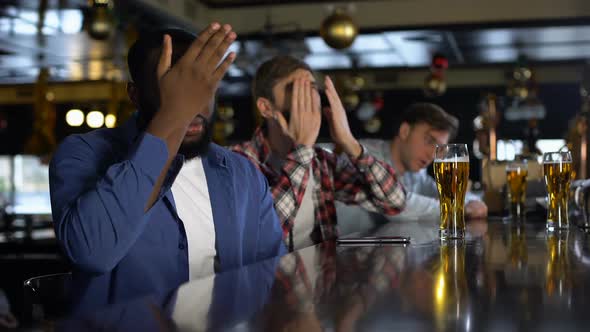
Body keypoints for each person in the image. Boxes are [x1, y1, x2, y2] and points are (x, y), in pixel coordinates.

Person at [49, 24, 286, 312]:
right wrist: (173, 116)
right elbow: (93, 252)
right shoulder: (83, 153)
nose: (193, 105)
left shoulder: (242, 173)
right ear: (135, 95)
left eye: (201, 88)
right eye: (171, 87)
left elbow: (271, 277)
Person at [231, 55, 406, 251]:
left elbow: (395, 202)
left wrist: (350, 142)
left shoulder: (321, 162)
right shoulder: (238, 162)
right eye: (296, 89)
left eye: (313, 88)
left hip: (322, 279)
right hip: (269, 281)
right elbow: (261, 236)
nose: (309, 98)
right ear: (266, 107)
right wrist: (302, 149)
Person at [360, 102, 488, 220]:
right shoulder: (365, 155)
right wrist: (459, 208)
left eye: (439, 147)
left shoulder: (417, 173)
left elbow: (446, 193)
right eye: (429, 141)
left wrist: (472, 202)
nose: (433, 154)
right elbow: (399, 208)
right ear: (405, 131)